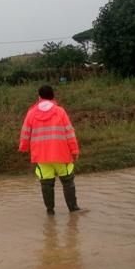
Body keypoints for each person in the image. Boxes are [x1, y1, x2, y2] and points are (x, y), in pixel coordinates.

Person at [19, 85, 83, 215]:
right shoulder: (60, 111)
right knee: (67, 182)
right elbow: (69, 133)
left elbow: (25, 132)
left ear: (39, 97)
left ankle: (50, 212)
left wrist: (24, 147)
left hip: (41, 157)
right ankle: (73, 209)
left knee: (46, 184)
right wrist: (75, 151)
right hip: (62, 155)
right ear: (53, 96)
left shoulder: (31, 113)